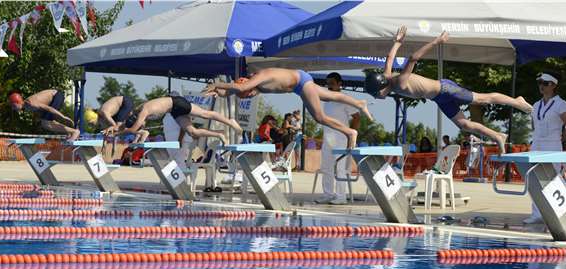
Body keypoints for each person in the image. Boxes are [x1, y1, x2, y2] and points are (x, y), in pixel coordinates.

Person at [365, 26, 534, 154]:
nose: (379, 97)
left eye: (377, 94)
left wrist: (436, 42)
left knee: (482, 99)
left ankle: (516, 101)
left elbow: (413, 58)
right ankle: (498, 136)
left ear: (382, 86)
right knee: (464, 124)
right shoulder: (386, 75)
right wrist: (397, 42)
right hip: (439, 98)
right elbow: (389, 58)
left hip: (446, 89)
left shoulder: (400, 83)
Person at [202, 68, 374, 149]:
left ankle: (350, 132)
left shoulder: (260, 77)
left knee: (319, 117)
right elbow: (237, 90)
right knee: (330, 95)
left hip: (300, 81)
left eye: (247, 95)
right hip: (300, 83)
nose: (248, 96)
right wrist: (220, 92)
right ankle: (359, 103)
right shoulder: (258, 87)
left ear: (247, 85)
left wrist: (215, 84)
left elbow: (238, 88)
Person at [523, 71, 566, 224]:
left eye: (545, 83)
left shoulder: (561, 103)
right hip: (537, 144)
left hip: (553, 145)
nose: (541, 86)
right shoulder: (536, 105)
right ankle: (536, 214)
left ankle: (557, 213)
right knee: (534, 180)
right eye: (540, 83)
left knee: (552, 181)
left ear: (553, 85)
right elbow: (534, 126)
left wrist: (560, 140)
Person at [117, 95, 242, 145]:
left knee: (205, 114)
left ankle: (230, 122)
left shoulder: (143, 111)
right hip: (174, 111)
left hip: (177, 102)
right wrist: (115, 128)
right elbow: (126, 122)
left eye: (141, 124)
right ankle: (219, 134)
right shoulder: (136, 113)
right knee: (193, 132)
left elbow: (133, 129)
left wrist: (119, 133)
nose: (142, 125)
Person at [316, 72, 361, 205]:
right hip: (328, 138)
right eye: (328, 83)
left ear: (339, 84)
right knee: (326, 167)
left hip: (342, 139)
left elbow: (357, 117)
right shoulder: (327, 99)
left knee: (342, 169)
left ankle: (341, 197)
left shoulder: (345, 98)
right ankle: (328, 194)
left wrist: (351, 135)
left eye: (332, 83)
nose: (329, 86)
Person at [8, 89, 79, 141]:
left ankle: (75, 132)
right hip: (54, 98)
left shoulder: (31, 104)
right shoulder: (27, 107)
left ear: (18, 102)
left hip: (57, 95)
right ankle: (70, 132)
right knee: (45, 123)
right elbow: (41, 112)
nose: (13, 109)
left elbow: (48, 108)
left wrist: (63, 117)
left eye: (13, 106)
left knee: (45, 123)